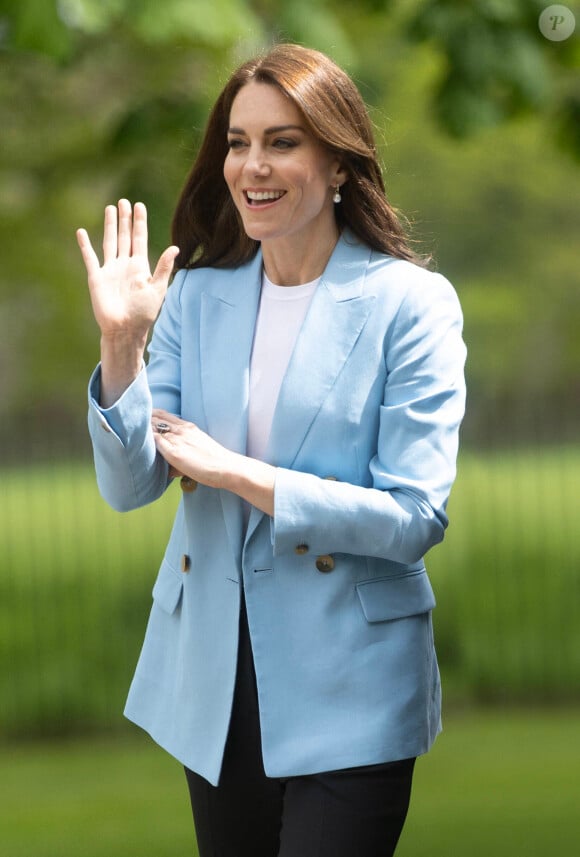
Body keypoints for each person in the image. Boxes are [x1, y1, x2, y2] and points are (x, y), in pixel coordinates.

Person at [77, 43, 466, 857]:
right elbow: (131, 485)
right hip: (215, 676)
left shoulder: (411, 305)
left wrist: (239, 473)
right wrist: (123, 347)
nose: (252, 164)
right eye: (237, 140)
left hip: (352, 676)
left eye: (283, 141)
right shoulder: (195, 296)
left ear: (339, 166)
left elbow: (414, 516)